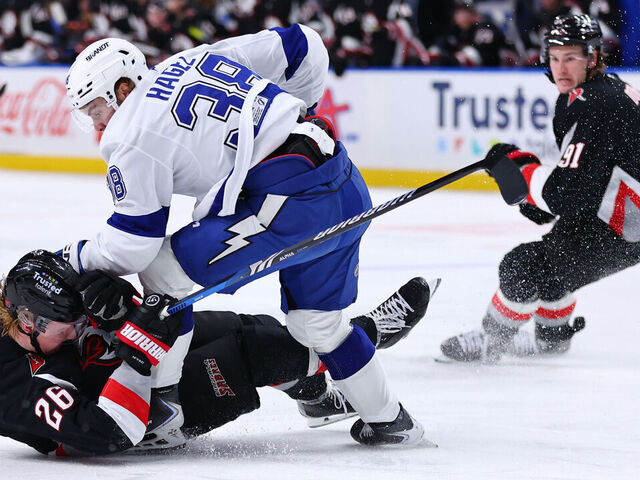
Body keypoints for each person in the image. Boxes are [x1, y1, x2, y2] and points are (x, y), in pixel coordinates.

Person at [61, 24, 424, 445]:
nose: (96, 126)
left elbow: (134, 245)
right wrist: (292, 117)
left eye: (96, 110)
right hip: (342, 179)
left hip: (288, 203)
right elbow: (303, 43)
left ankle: (163, 410)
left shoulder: (129, 133)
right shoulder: (189, 59)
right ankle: (391, 422)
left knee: (162, 274)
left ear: (123, 90)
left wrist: (74, 256)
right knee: (318, 326)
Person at [0, 250, 438, 455]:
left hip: (117, 368)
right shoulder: (14, 386)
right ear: (27, 320)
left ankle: (319, 397)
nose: (80, 326)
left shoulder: (45, 319)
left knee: (242, 325)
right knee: (251, 354)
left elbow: (98, 320)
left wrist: (124, 310)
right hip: (142, 416)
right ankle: (364, 336)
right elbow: (111, 433)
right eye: (70, 324)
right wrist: (139, 349)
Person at [440, 13, 640, 362]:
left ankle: (493, 339)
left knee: (523, 266)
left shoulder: (593, 101)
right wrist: (532, 187)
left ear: (592, 57)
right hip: (617, 213)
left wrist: (521, 169)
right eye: (555, 57)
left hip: (626, 225)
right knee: (550, 265)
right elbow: (586, 179)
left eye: (571, 58)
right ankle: (554, 338)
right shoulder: (600, 91)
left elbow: (562, 195)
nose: (561, 68)